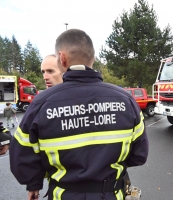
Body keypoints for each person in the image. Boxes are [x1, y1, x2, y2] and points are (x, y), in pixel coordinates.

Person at [10, 29, 149, 200]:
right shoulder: (126, 101)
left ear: (61, 58)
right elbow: (139, 155)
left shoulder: (41, 104)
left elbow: (22, 155)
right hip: (112, 194)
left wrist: (33, 184)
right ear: (93, 58)